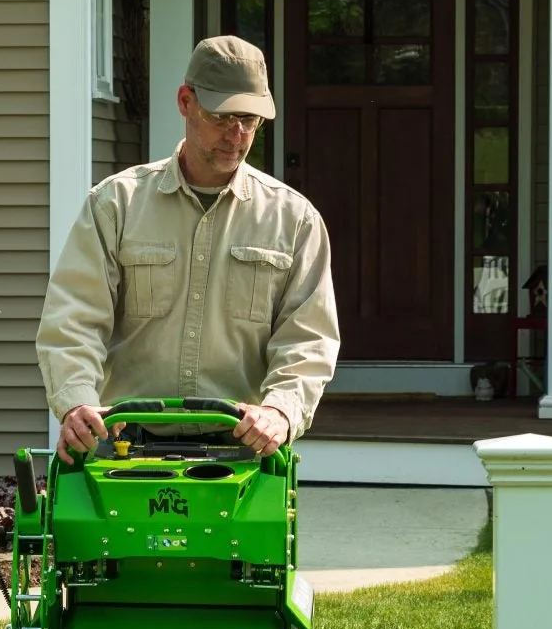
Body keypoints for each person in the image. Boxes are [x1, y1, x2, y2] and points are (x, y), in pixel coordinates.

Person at [37, 34, 339, 462]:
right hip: (123, 447)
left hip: (242, 452)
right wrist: (78, 401)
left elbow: (308, 339)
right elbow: (73, 320)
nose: (236, 135)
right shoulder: (115, 205)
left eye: (249, 121)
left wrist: (280, 410)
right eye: (221, 117)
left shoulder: (294, 220)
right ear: (185, 101)